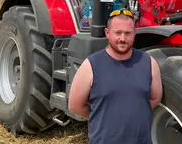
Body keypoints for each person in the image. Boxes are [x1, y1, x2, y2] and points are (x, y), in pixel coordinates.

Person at [68, 8, 163, 144]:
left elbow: (155, 98)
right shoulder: (91, 65)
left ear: (134, 33)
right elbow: (75, 105)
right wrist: (103, 116)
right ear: (107, 33)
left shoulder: (149, 63)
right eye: (118, 33)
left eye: (128, 33)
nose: (122, 38)